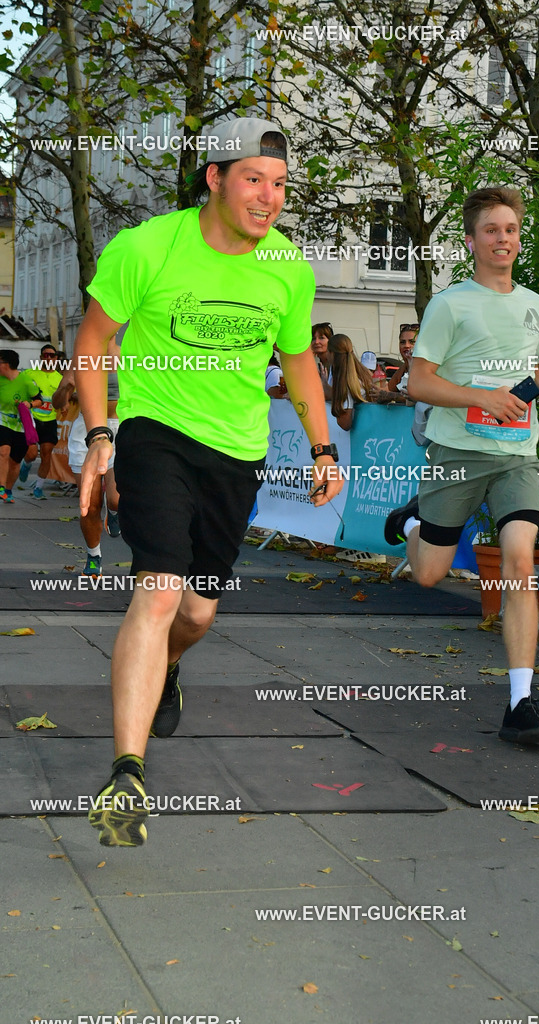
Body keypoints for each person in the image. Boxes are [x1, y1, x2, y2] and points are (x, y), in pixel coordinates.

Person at [74, 117, 343, 847]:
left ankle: (165, 668)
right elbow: (94, 341)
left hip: (237, 452)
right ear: (215, 178)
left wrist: (323, 449)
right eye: (254, 179)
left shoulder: (287, 266)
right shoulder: (148, 247)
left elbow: (297, 362)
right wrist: (99, 435)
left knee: (196, 613)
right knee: (159, 591)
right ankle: (126, 774)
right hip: (156, 432)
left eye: (279, 184)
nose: (268, 197)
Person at [384, 186, 539, 746]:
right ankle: (413, 522)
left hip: (517, 454)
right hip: (456, 452)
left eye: (510, 230)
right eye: (491, 230)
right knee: (429, 573)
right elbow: (419, 382)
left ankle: (520, 702)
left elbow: (526, 375)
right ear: (472, 240)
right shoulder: (450, 304)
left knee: (520, 560)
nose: (503, 239)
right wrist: (482, 399)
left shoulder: (537, 305)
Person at [54, 359, 121, 575]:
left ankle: (113, 511)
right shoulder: (84, 358)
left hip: (121, 428)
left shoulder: (132, 352)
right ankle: (94, 555)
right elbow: (58, 402)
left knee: (116, 498)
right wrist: (67, 388)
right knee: (90, 505)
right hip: (87, 430)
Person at [18, 344, 64, 498]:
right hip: (32, 418)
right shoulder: (29, 374)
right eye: (45, 355)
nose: (48, 358)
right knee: (31, 454)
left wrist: (67, 402)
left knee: (46, 454)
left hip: (50, 420)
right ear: (41, 357)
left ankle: (38, 488)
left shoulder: (60, 379)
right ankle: (26, 464)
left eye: (52, 355)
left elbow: (70, 394)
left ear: (56, 358)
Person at [0, 349, 42, 503]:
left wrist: (29, 404)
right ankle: (1, 487)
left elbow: (40, 400)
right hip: (3, 421)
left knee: (15, 461)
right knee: (3, 451)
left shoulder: (26, 381)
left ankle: (8, 490)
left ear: (7, 364)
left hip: (21, 425)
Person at [328, 332, 374, 430]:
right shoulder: (362, 373)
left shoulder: (344, 380)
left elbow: (345, 423)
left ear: (332, 353)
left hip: (362, 433)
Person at [311, 322, 334, 399]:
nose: (316, 342)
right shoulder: (318, 363)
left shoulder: (335, 364)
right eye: (313, 339)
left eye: (321, 338)